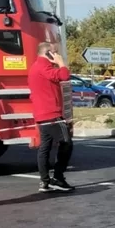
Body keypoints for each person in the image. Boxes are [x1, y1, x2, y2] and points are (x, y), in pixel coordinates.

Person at [27, 41, 75, 193]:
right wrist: (61, 63)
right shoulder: (44, 66)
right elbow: (64, 76)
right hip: (51, 114)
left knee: (45, 148)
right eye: (55, 52)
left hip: (41, 115)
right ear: (48, 53)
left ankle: (44, 181)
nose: (57, 54)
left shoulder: (35, 67)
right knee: (67, 142)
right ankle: (58, 178)